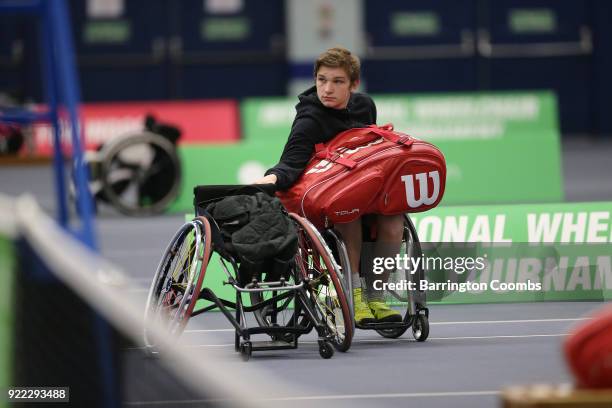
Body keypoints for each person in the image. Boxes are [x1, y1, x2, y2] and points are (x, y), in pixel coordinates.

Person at [255, 47, 403, 324]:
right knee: (350, 213)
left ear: (353, 84)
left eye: (337, 82)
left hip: (362, 188)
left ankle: (377, 297)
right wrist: (270, 180)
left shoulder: (364, 106)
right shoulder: (309, 119)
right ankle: (356, 295)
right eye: (322, 80)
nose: (327, 89)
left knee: (394, 222)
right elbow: (290, 162)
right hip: (325, 199)